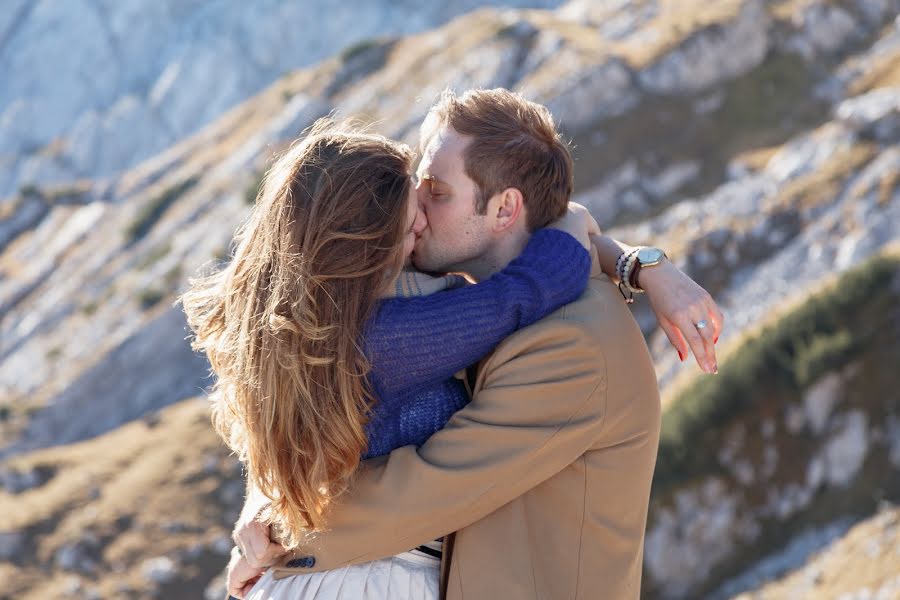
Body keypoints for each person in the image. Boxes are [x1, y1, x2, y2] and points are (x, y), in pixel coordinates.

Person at [228, 89, 724, 600]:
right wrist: (628, 258)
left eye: (437, 192)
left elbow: (422, 490)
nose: (414, 209)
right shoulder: (451, 305)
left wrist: (278, 528)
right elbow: (304, 395)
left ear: (506, 208)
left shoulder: (574, 346)